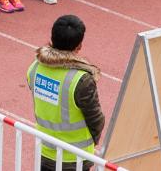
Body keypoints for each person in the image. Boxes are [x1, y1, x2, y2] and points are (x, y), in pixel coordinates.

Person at [27, 14, 106, 170]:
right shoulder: (81, 80)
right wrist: (93, 141)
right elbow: (96, 119)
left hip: (45, 149)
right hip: (74, 157)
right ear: (79, 47)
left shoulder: (34, 68)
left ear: (52, 38)